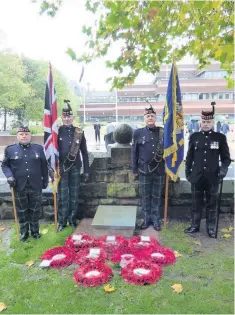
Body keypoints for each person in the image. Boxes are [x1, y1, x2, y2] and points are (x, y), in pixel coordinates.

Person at [185, 102, 231, 238]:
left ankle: (211, 227)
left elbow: (226, 158)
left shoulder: (220, 138)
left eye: (209, 121)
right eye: (204, 121)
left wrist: (223, 170)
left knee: (212, 204)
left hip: (213, 177)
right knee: (196, 203)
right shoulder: (194, 137)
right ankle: (195, 226)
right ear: (200, 122)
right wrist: (188, 173)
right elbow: (189, 157)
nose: (206, 124)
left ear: (212, 122)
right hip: (197, 177)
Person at [1, 126, 49, 241]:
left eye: (26, 134)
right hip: (19, 185)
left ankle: (35, 232)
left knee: (35, 210)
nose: (24, 136)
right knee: (22, 211)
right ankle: (24, 233)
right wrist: (9, 176)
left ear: (30, 135)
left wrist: (45, 181)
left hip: (35, 184)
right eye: (21, 134)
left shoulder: (38, 148)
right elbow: (5, 165)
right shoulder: (10, 149)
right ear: (17, 136)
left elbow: (44, 165)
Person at [131, 105, 165, 231]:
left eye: (152, 116)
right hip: (144, 169)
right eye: (147, 116)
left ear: (155, 118)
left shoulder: (162, 132)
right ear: (144, 118)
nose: (150, 118)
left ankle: (155, 219)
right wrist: (134, 168)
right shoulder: (138, 133)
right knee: (145, 196)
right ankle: (146, 219)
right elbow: (134, 152)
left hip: (159, 169)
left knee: (157, 196)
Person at [57, 100, 89, 232]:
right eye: (64, 116)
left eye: (69, 116)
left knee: (74, 194)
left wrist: (86, 170)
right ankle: (62, 221)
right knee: (63, 195)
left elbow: (85, 152)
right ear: (62, 118)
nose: (67, 119)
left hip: (75, 166)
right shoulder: (57, 131)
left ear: (73, 118)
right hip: (62, 167)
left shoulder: (79, 132)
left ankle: (72, 219)